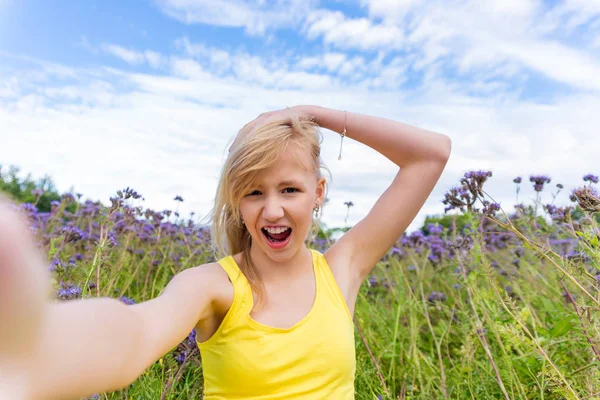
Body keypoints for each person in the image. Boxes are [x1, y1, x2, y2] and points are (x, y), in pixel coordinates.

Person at [0, 105, 451, 399]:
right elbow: (136, 330)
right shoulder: (213, 287)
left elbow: (431, 155)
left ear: (318, 192)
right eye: (253, 192)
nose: (272, 209)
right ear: (237, 202)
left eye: (289, 189)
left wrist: (310, 114)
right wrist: (33, 349)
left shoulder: (340, 270)